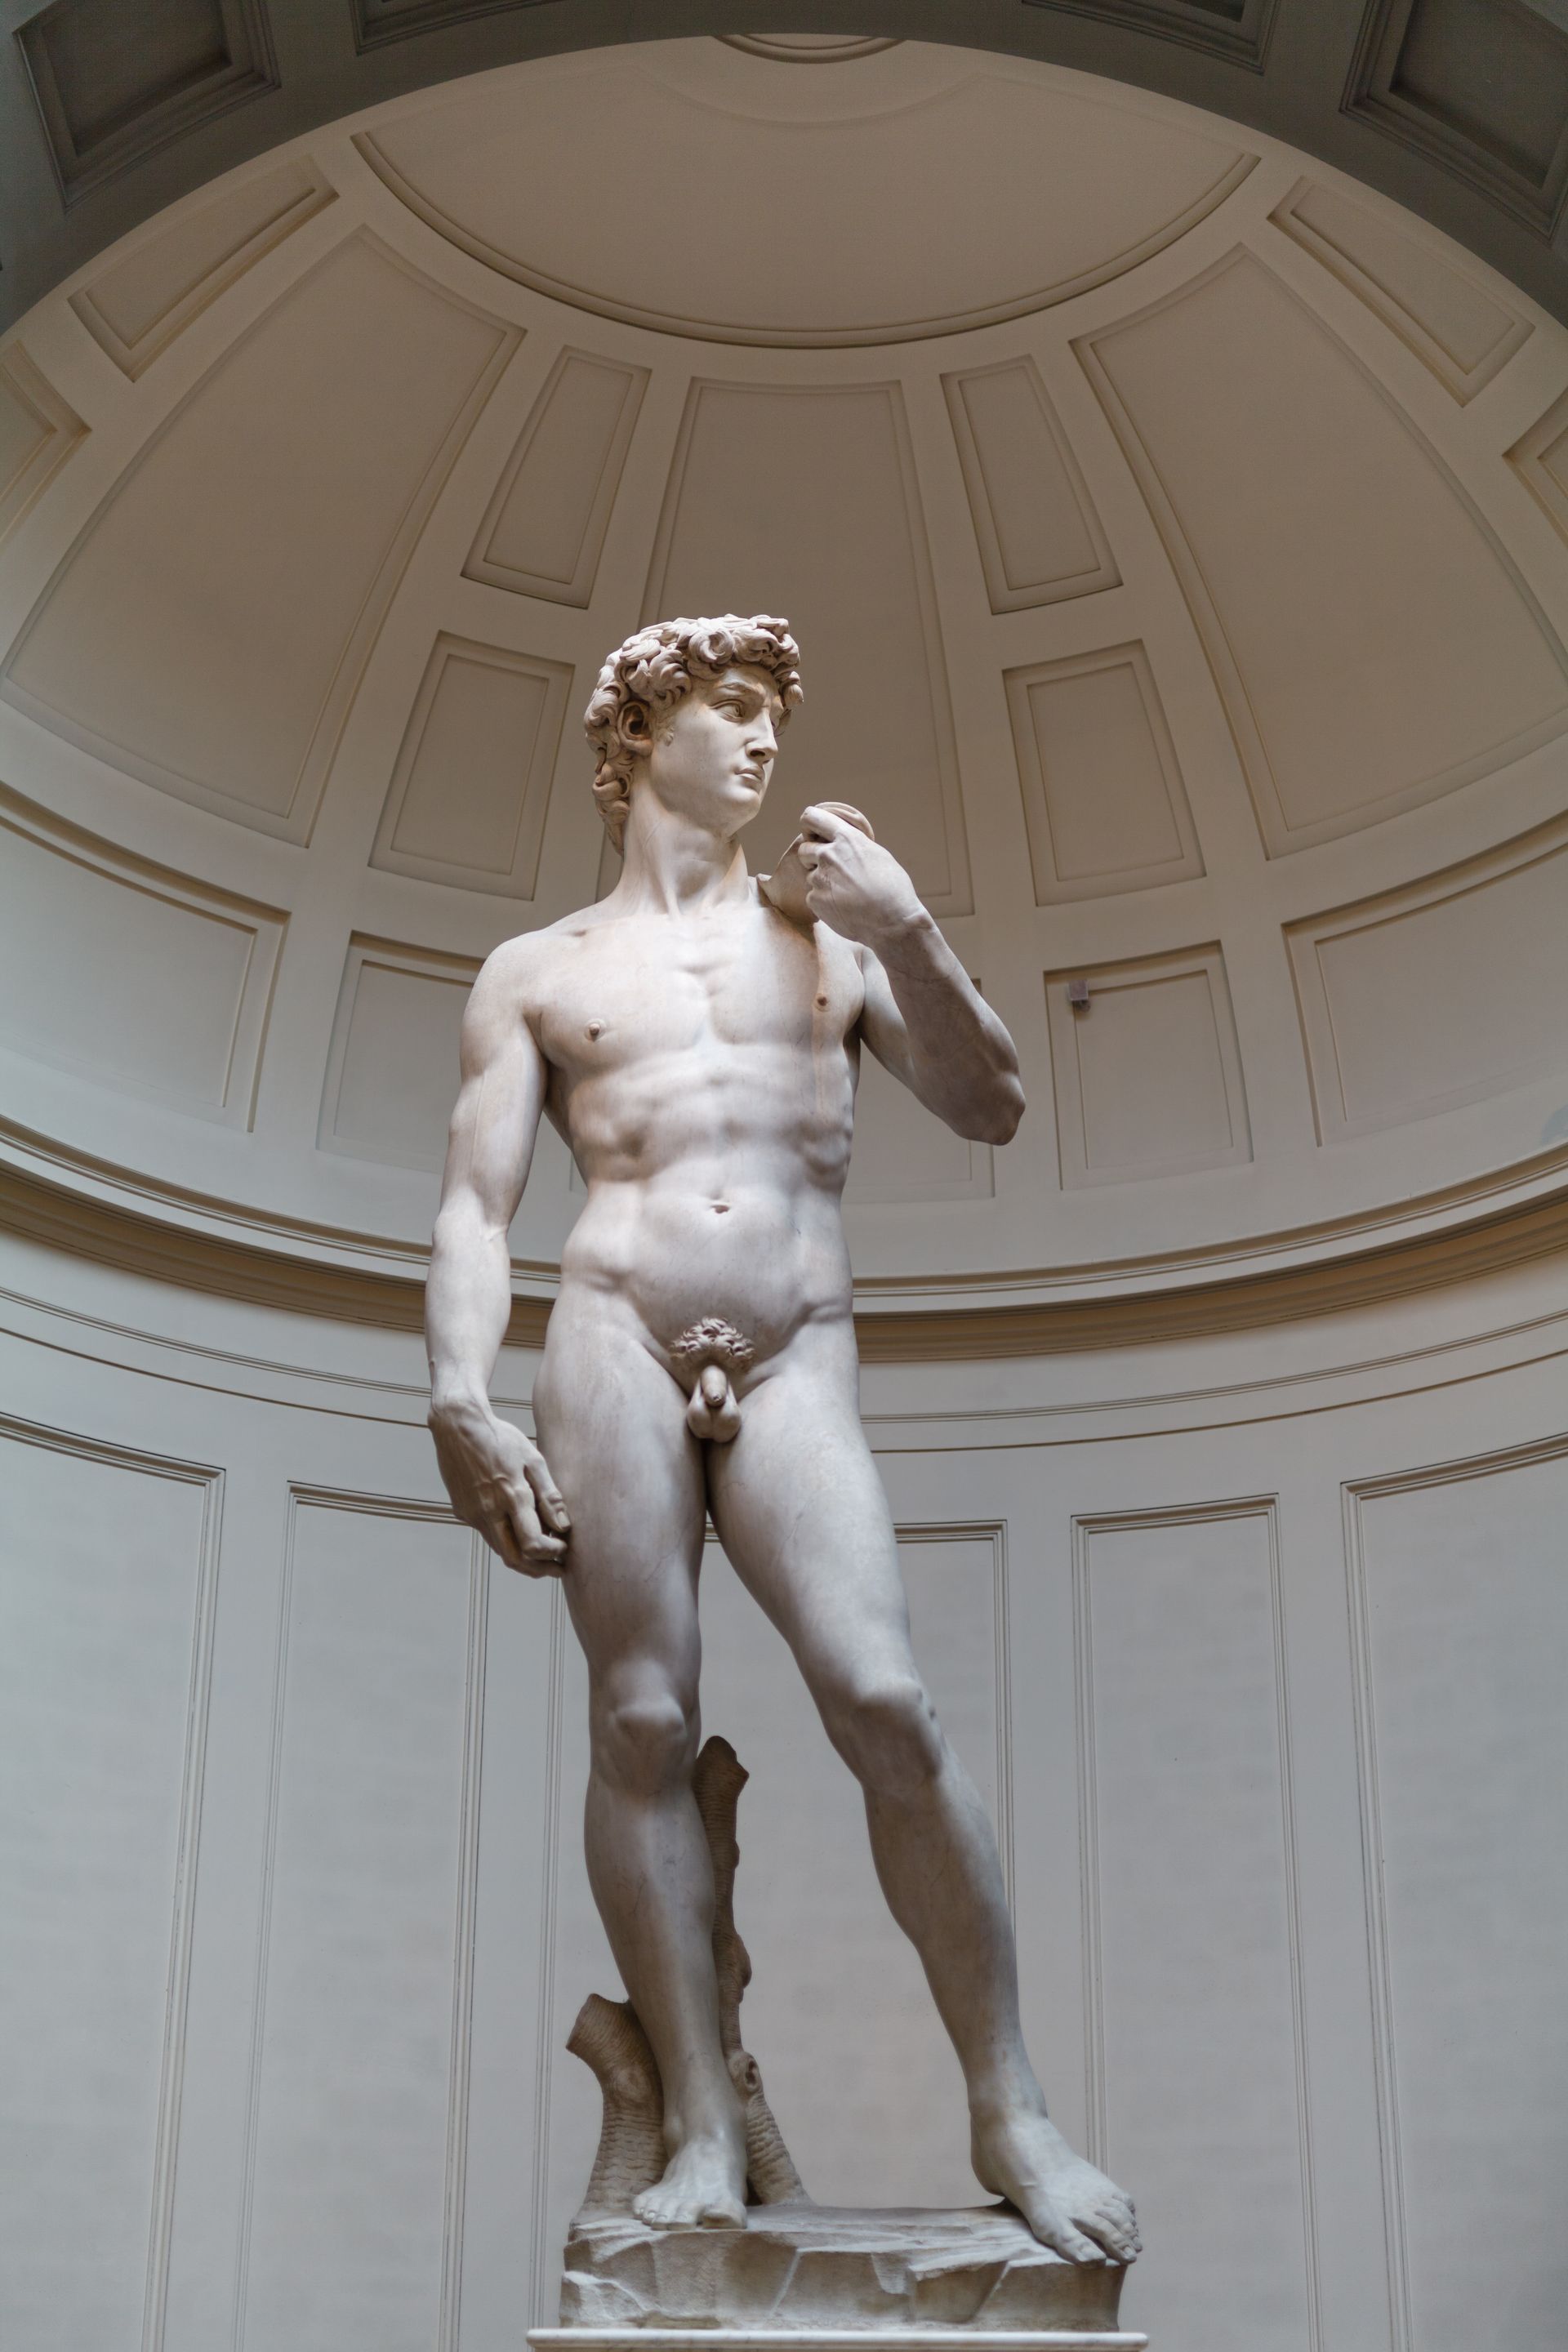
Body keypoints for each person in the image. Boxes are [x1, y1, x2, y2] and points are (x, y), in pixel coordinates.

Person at [425, 615, 1138, 2263]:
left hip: (798, 1348)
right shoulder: (536, 972)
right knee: (642, 1720)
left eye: (771, 719)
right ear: (638, 734)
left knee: (887, 1701)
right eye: (731, 712)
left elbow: (992, 1103)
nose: (762, 746)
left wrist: (915, 927)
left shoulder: (832, 931)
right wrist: (458, 1394)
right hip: (611, 1327)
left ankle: (1010, 2107)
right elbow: (474, 1206)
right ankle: (691, 2120)